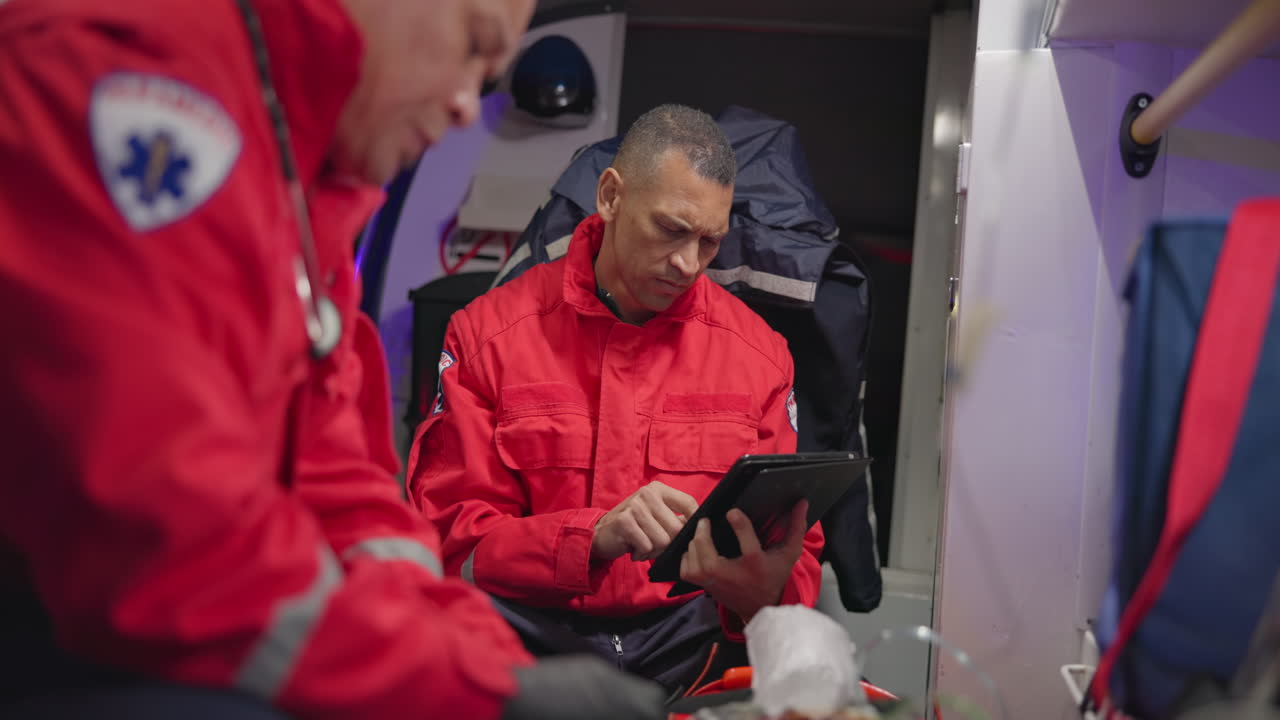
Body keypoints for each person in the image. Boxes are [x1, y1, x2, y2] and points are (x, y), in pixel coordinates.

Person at [0, 0, 665, 718]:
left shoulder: (305, 183)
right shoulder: (124, 85)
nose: (467, 106)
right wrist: (472, 692)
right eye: (472, 46)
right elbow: (158, 525)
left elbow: (341, 489)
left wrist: (489, 663)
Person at [408, 104, 825, 694]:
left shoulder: (760, 356)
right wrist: (591, 536)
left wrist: (763, 591)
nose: (688, 263)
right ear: (611, 197)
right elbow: (451, 542)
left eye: (710, 242)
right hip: (529, 639)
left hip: (692, 644)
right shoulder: (486, 336)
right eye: (672, 230)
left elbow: (798, 555)